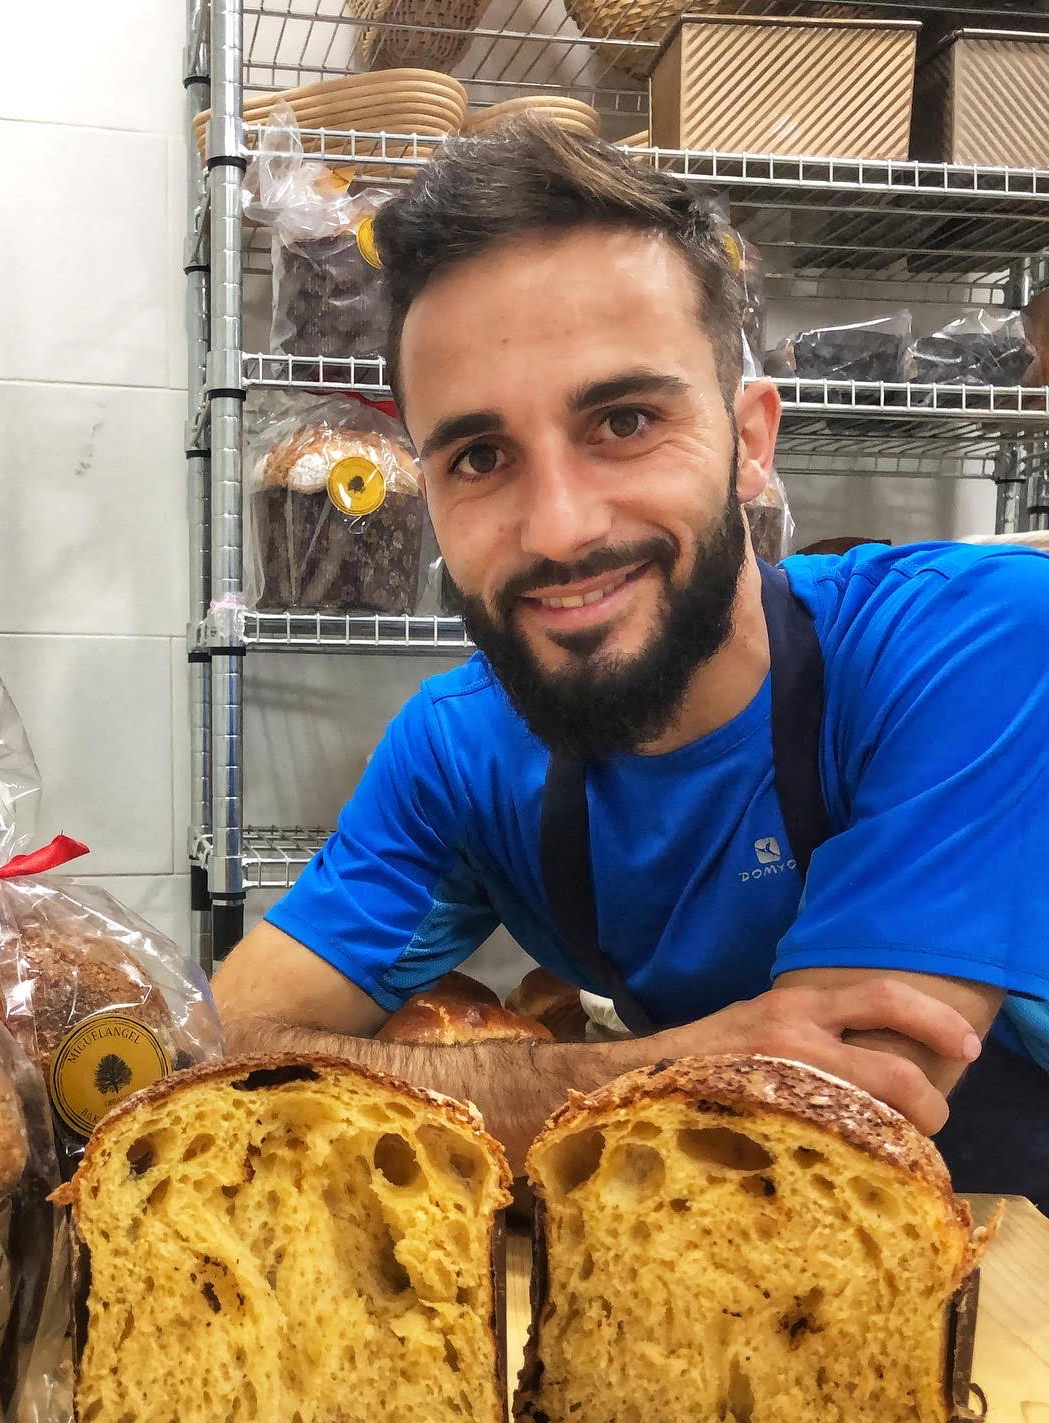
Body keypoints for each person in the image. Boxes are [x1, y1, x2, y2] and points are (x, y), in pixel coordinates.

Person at [212, 120, 1049, 1205]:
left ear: (752, 442)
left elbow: (849, 1117)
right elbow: (231, 1049)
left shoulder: (970, 640)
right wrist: (682, 1061)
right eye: (479, 456)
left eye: (624, 420)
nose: (558, 528)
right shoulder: (460, 747)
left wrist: (506, 1090)